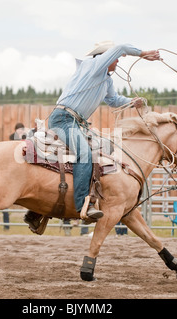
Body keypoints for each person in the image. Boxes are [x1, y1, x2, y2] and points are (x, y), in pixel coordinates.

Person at [24, 41, 160, 229]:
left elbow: (113, 100)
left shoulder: (106, 80)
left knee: (106, 149)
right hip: (63, 119)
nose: (118, 61)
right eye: (116, 58)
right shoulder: (93, 66)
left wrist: (131, 101)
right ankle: (82, 204)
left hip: (75, 123)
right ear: (106, 57)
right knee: (85, 155)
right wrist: (143, 53)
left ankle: (43, 206)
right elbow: (120, 47)